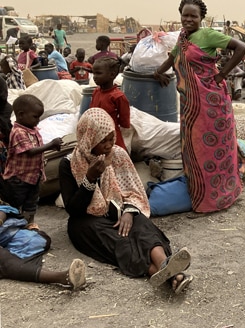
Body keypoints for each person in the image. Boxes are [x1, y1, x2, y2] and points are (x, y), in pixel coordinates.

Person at [58, 108, 193, 293]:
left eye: (111, 138)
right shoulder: (69, 163)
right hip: (87, 220)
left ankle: (164, 264)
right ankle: (167, 274)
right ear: (88, 139)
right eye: (102, 140)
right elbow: (73, 209)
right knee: (117, 240)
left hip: (120, 209)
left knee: (142, 227)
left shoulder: (118, 154)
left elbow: (133, 191)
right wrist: (89, 180)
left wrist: (129, 211)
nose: (108, 145)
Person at [154, 0, 245, 213]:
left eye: (193, 16)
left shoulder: (207, 35)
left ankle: (217, 197)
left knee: (213, 147)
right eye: (185, 15)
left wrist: (222, 74)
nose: (188, 19)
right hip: (190, 103)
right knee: (194, 148)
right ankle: (200, 193)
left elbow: (242, 47)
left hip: (212, 101)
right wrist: (158, 72)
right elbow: (173, 58)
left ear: (201, 18)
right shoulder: (183, 38)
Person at [1, 95, 63, 224]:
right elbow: (30, 152)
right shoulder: (18, 132)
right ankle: (14, 226)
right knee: (15, 204)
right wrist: (51, 145)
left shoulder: (33, 130)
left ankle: (29, 224)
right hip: (18, 179)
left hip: (33, 177)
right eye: (35, 117)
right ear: (21, 115)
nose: (38, 120)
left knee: (31, 204)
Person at [0, 205, 86, 289]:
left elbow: (4, 209)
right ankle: (64, 277)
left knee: (40, 240)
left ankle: (10, 259)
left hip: (8, 234)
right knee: (6, 262)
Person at [89, 57, 130, 152]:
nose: (94, 77)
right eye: (93, 73)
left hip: (112, 138)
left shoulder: (118, 97)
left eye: (98, 73)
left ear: (112, 75)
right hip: (95, 136)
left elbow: (124, 122)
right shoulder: (96, 92)